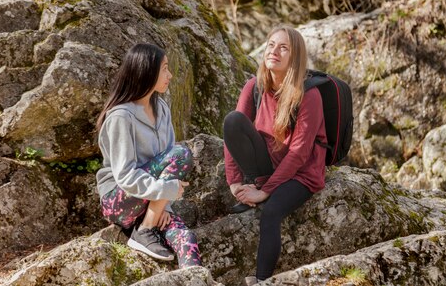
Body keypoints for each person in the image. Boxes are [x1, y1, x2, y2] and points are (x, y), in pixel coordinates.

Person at [223, 25, 327, 284]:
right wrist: (234, 182)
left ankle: (260, 281)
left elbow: (299, 153)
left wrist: (265, 191)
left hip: (301, 174)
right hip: (267, 163)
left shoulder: (309, 95)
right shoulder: (254, 86)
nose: (274, 51)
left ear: (295, 57)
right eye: (271, 45)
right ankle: (253, 182)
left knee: (271, 212)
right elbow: (231, 133)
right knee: (233, 120)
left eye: (283, 48)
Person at [96, 43, 201, 267]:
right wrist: (164, 192)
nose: (170, 75)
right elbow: (125, 176)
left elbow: (168, 170)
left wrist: (164, 205)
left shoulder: (161, 108)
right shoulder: (121, 117)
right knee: (181, 153)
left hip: (151, 202)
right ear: (147, 71)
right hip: (119, 201)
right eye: (164, 68)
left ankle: (194, 279)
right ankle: (145, 230)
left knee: (187, 240)